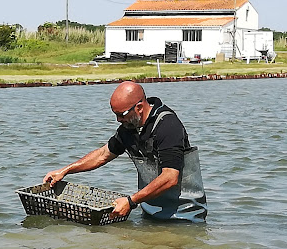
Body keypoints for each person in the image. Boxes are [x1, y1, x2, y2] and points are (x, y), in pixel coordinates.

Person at [43, 81, 208, 222]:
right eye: (115, 115)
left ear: (139, 107)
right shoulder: (129, 129)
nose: (118, 120)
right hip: (151, 215)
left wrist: (131, 201)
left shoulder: (168, 126)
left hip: (185, 218)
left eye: (121, 115)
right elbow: (103, 155)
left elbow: (170, 178)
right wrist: (65, 171)